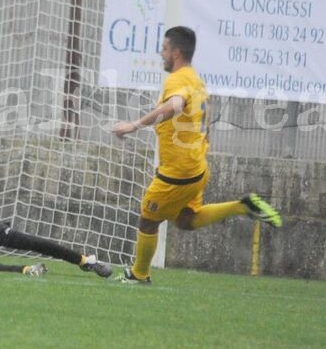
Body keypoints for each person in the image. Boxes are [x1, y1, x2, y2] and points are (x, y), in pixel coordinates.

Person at [111, 26, 283, 284]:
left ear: (176, 53)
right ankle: (241, 205)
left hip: (177, 171)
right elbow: (204, 119)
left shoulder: (177, 80)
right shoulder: (195, 79)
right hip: (197, 166)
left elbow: (175, 105)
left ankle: (139, 274)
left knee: (148, 220)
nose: (162, 53)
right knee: (186, 220)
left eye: (165, 49)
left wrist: (133, 125)